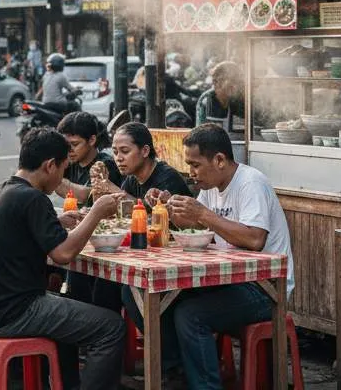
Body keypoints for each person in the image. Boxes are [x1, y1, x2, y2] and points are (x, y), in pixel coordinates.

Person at [122, 124, 293, 390]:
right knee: (138, 292)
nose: (190, 173)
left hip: (265, 288)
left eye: (195, 165)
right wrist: (168, 207)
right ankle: (175, 371)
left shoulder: (251, 183)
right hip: (225, 279)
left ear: (220, 160)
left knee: (191, 315)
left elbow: (254, 239)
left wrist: (202, 214)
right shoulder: (210, 185)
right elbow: (201, 229)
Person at [0, 128, 125, 390]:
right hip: (14, 311)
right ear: (50, 165)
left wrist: (58, 221)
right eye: (63, 169)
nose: (62, 177)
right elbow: (63, 254)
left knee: (70, 314)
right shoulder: (32, 198)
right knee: (111, 328)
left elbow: (26, 232)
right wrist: (95, 213)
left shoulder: (0, 191)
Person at [55, 111, 124, 312]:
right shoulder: (72, 163)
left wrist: (50, 176)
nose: (69, 151)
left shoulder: (105, 163)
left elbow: (87, 194)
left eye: (74, 144)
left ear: (92, 140)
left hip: (107, 241)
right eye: (65, 146)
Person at [113, 121, 191, 200]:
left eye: (125, 151)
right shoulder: (132, 179)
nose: (118, 158)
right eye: (115, 152)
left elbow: (150, 210)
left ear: (145, 151)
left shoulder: (168, 178)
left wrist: (113, 190)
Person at [194, 61, 244, 132]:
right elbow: (205, 135)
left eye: (238, 81)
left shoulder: (234, 99)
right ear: (216, 82)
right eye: (232, 80)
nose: (235, 86)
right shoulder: (208, 100)